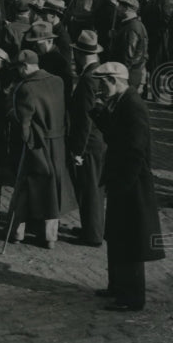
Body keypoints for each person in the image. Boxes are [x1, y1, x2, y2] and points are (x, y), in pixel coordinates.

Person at [90, 61, 165, 311]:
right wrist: (101, 114)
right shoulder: (123, 101)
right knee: (117, 235)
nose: (99, 89)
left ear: (114, 81)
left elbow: (135, 148)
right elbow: (117, 136)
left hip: (131, 184)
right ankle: (118, 286)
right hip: (122, 180)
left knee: (130, 239)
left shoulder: (133, 105)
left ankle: (131, 297)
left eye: (102, 84)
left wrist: (124, 184)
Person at [6, 50, 77, 249]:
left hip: (37, 144)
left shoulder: (25, 88)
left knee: (25, 187)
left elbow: (23, 123)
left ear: (25, 67)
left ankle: (17, 231)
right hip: (58, 141)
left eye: (18, 69)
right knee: (53, 188)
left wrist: (12, 116)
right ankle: (50, 236)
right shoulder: (58, 81)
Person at [67, 30, 107, 247]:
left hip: (89, 143)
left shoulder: (87, 80)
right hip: (99, 141)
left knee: (89, 188)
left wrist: (78, 150)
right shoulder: (98, 73)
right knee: (96, 188)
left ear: (80, 54)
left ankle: (92, 234)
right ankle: (93, 227)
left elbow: (84, 119)